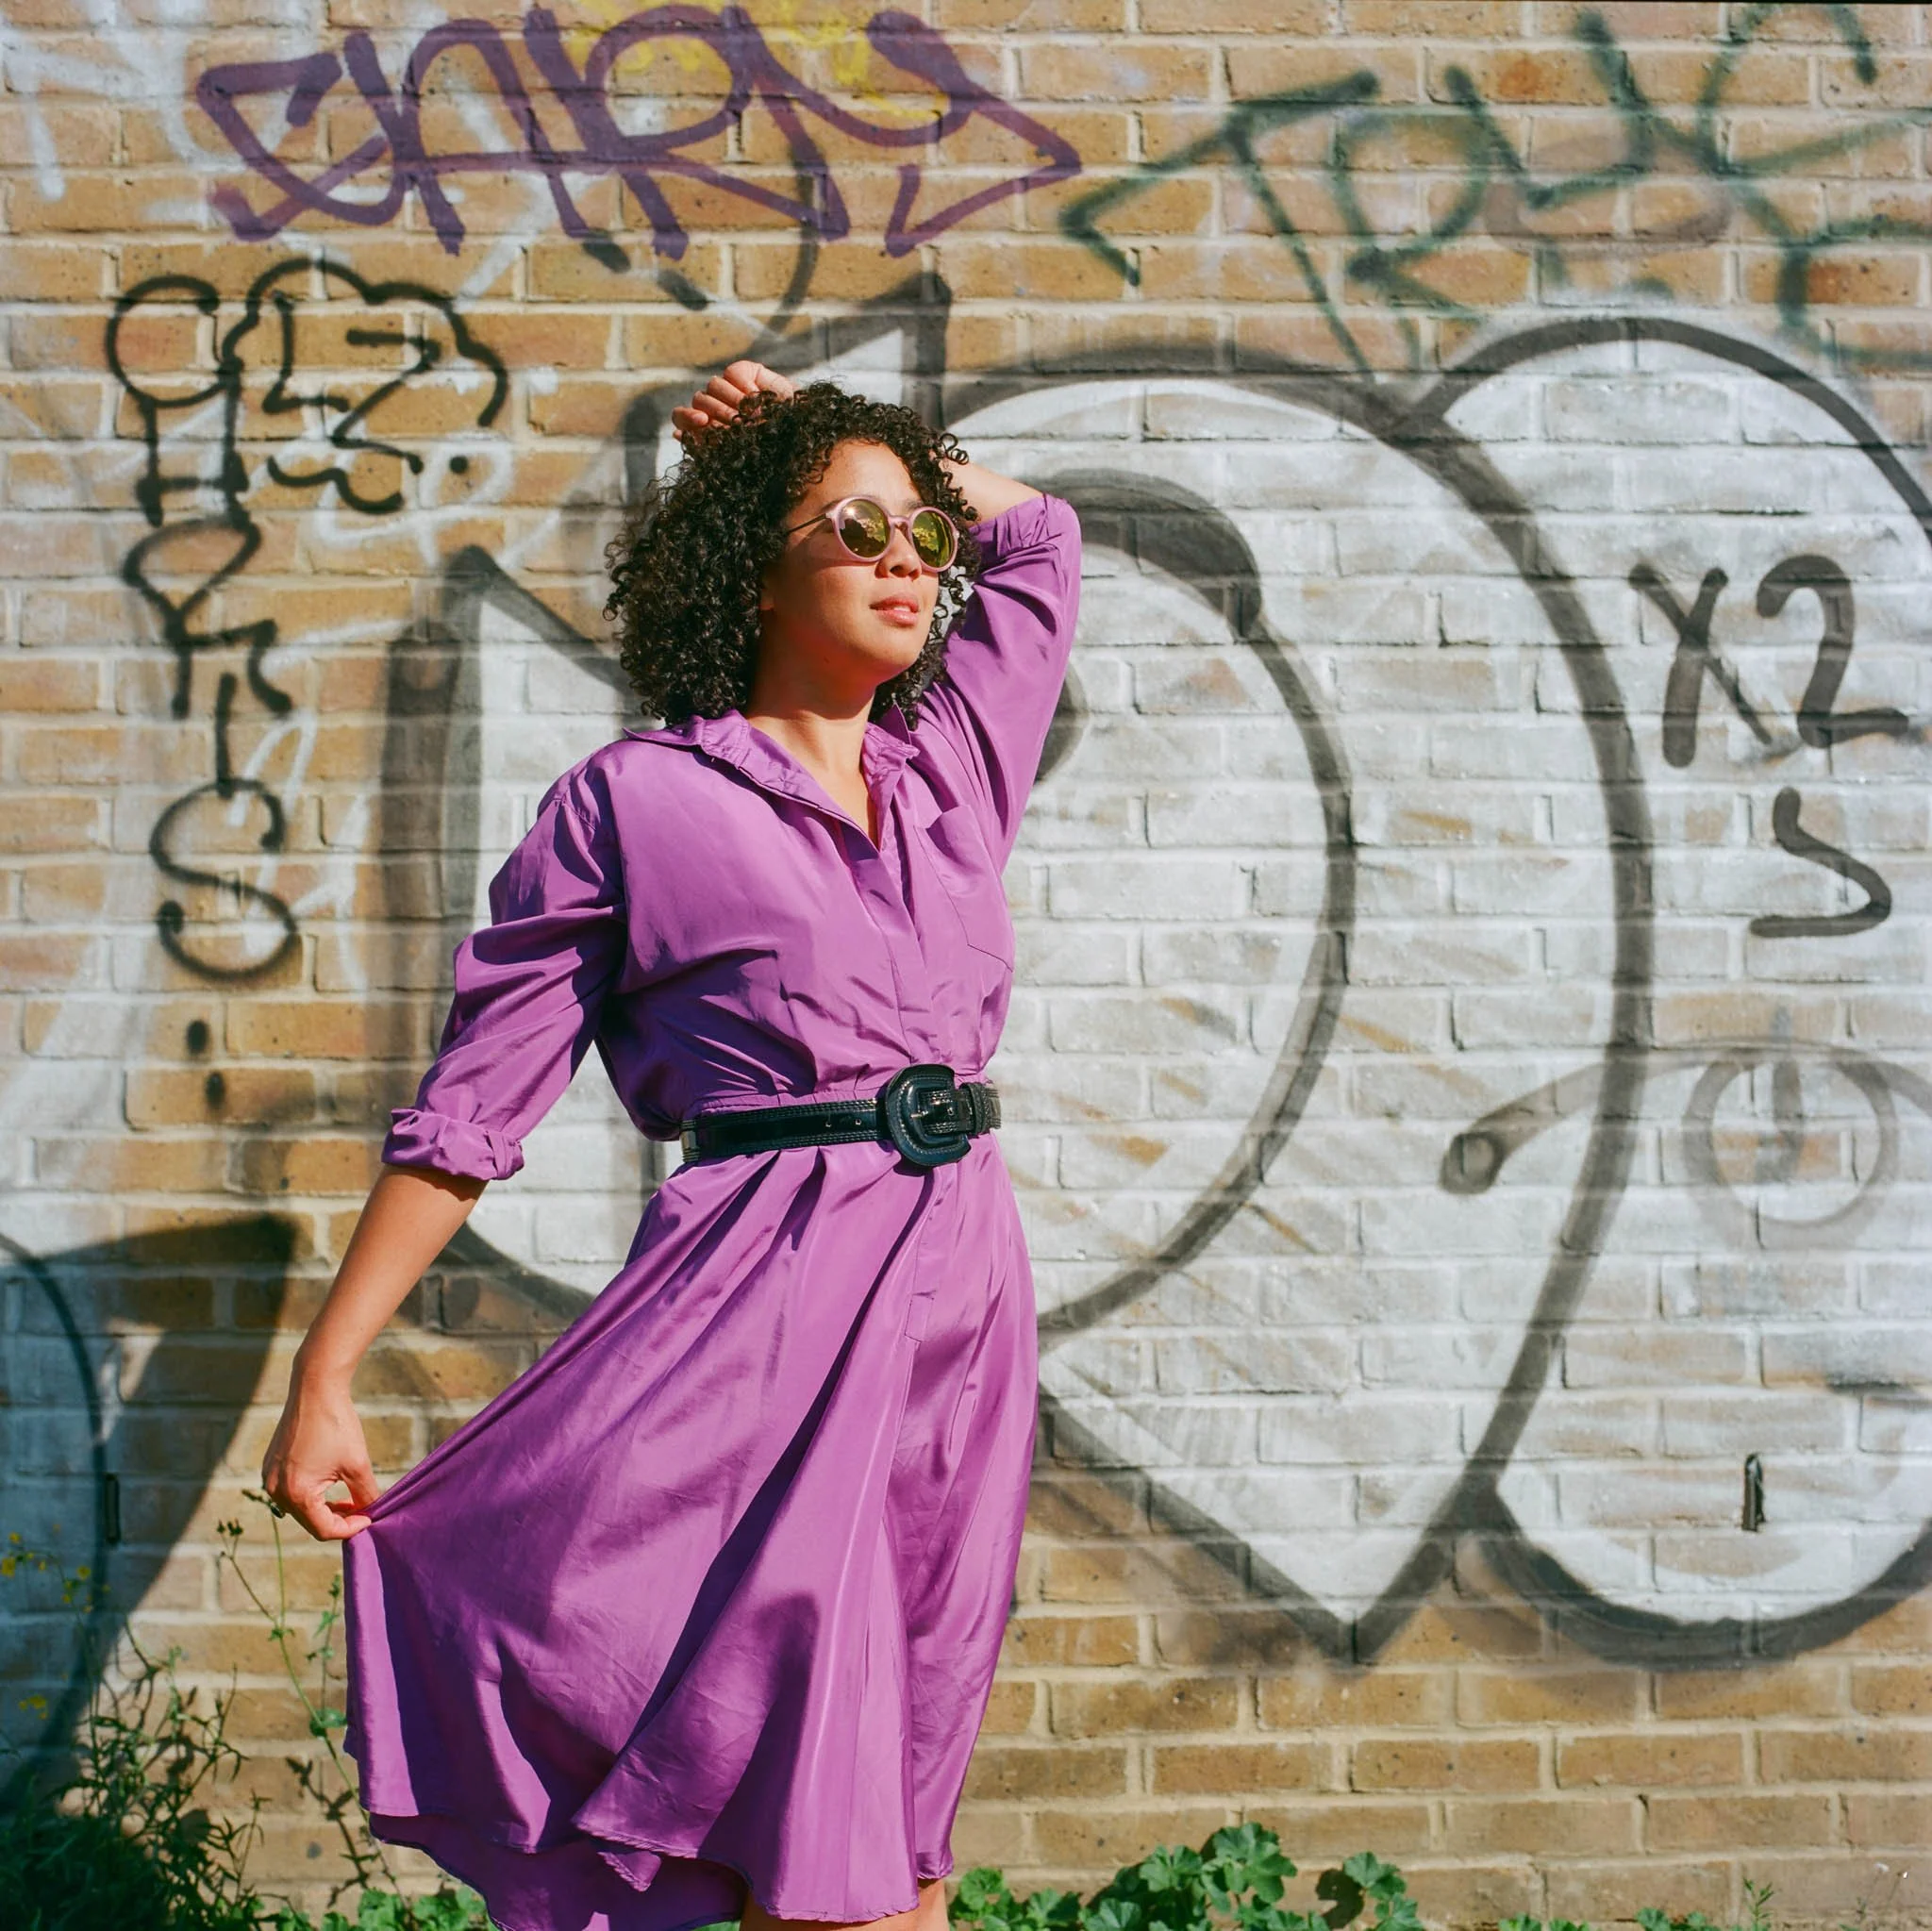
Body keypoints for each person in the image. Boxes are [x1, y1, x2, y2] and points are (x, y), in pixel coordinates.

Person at [259, 359, 1083, 1931]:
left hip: (965, 1307)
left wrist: (854, 432)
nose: (911, 560)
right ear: (755, 565)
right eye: (857, 529)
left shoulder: (956, 773)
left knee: (906, 1803)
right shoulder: (634, 804)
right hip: (760, 1313)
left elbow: (1041, 539)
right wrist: (328, 1372)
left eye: (921, 535)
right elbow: (471, 1114)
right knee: (801, 1815)